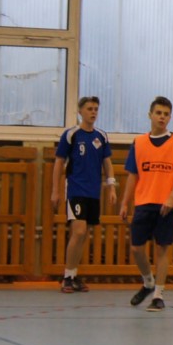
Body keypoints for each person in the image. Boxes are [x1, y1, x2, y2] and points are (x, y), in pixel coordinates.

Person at [118, 96, 173, 313]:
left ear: (170, 117)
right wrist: (125, 203)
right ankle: (148, 282)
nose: (162, 117)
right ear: (150, 115)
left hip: (167, 204)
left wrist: (171, 197)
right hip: (144, 201)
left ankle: (158, 294)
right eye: (158, 113)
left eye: (166, 114)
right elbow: (133, 175)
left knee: (162, 248)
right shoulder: (139, 143)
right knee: (136, 248)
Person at [51, 95, 117, 293]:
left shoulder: (101, 136)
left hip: (93, 192)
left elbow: (107, 163)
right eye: (89, 109)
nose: (93, 112)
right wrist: (55, 190)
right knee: (78, 231)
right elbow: (59, 162)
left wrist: (111, 187)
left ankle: (73, 275)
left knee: (83, 235)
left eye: (96, 109)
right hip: (76, 189)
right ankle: (66, 277)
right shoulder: (71, 135)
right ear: (80, 111)